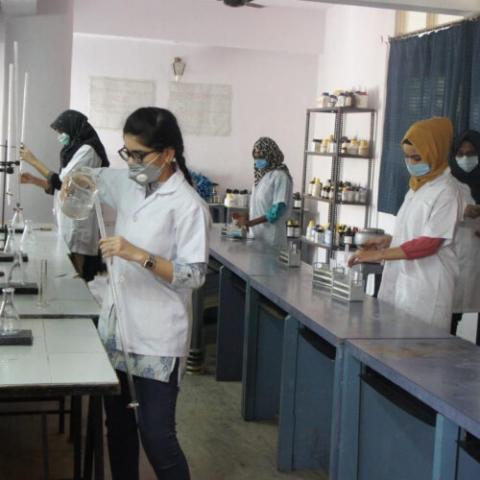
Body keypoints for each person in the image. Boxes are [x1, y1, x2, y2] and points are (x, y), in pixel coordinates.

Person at [68, 107, 210, 480]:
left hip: (157, 338)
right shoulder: (130, 183)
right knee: (119, 431)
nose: (130, 162)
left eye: (138, 154)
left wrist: (138, 255)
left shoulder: (188, 206)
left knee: (157, 438)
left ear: (167, 154)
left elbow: (194, 275)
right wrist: (74, 181)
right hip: (118, 330)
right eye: (126, 152)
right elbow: (90, 177)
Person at [349, 117, 462, 331]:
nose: (410, 163)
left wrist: (378, 255)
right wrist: (388, 241)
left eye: (417, 157)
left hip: (427, 286)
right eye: (407, 157)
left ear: (435, 152)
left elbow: (430, 243)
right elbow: (415, 233)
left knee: (419, 346)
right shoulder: (417, 187)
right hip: (404, 281)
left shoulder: (447, 191)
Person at [20, 109, 109, 281]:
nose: (60, 136)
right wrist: (34, 180)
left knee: (76, 273)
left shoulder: (88, 150)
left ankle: (79, 298)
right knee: (69, 270)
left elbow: (62, 180)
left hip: (78, 220)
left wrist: (33, 160)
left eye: (62, 131)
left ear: (73, 127)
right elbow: (62, 187)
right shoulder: (75, 149)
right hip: (70, 217)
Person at [234, 137, 293, 248]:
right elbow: (259, 206)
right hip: (256, 236)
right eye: (255, 156)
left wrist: (249, 223)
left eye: (261, 156)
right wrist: (245, 216)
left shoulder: (280, 176)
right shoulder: (260, 178)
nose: (257, 159)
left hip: (272, 238)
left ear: (271, 154)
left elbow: (277, 210)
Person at [449, 129, 480, 336]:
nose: (465, 159)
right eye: (460, 154)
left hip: (476, 259)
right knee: (450, 315)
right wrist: (461, 212)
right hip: (454, 257)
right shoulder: (447, 181)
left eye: (471, 154)